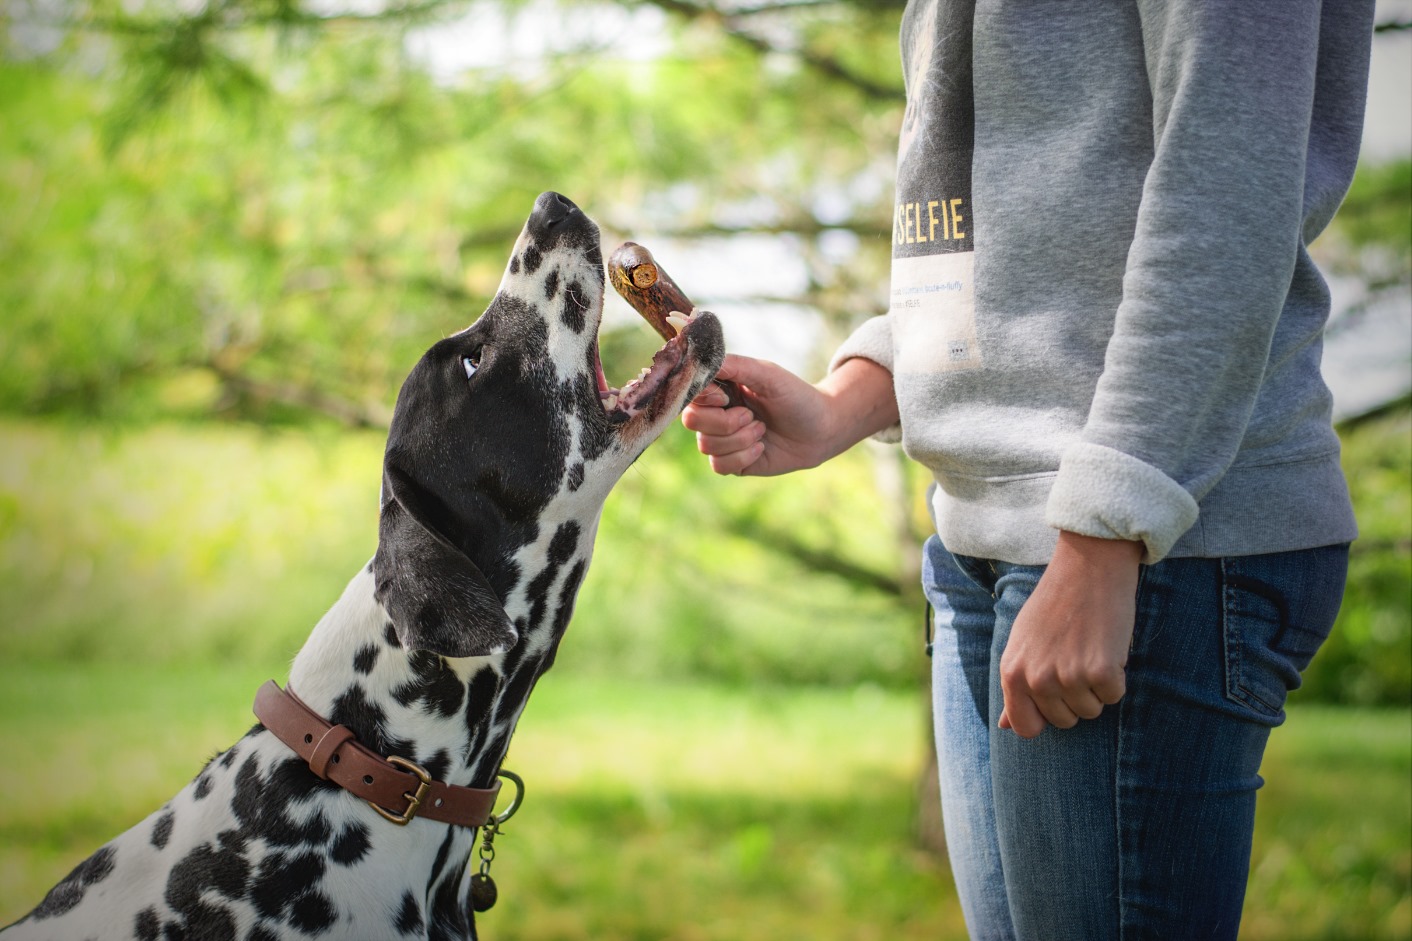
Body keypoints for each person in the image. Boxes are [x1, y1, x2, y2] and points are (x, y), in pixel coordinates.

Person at [681, 2, 1375, 938]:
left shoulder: (1115, 536)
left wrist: (1107, 528)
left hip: (1150, 548)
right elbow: (1004, 233)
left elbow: (1227, 185)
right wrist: (854, 397)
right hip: (985, 539)